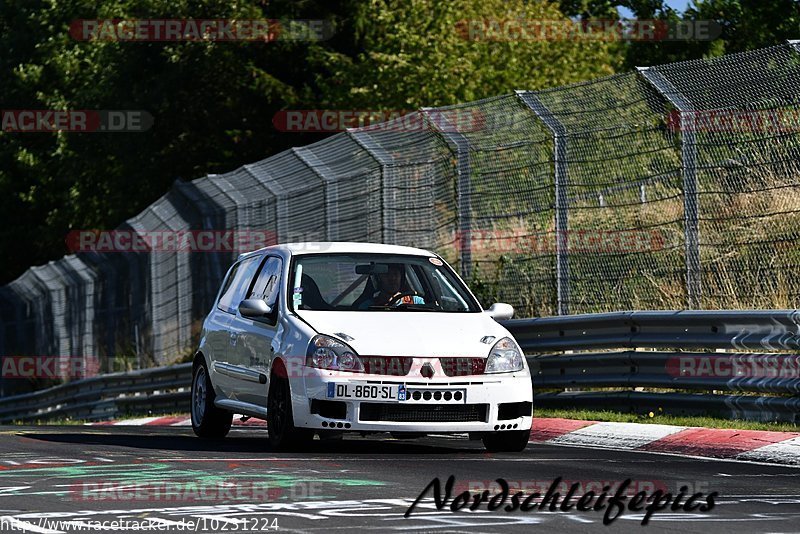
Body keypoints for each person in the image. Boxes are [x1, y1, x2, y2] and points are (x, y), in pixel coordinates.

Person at [357, 263, 425, 309]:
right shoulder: (368, 306)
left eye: (395, 274)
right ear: (378, 279)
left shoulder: (416, 302)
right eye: (387, 274)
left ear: (401, 277)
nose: (392, 278)